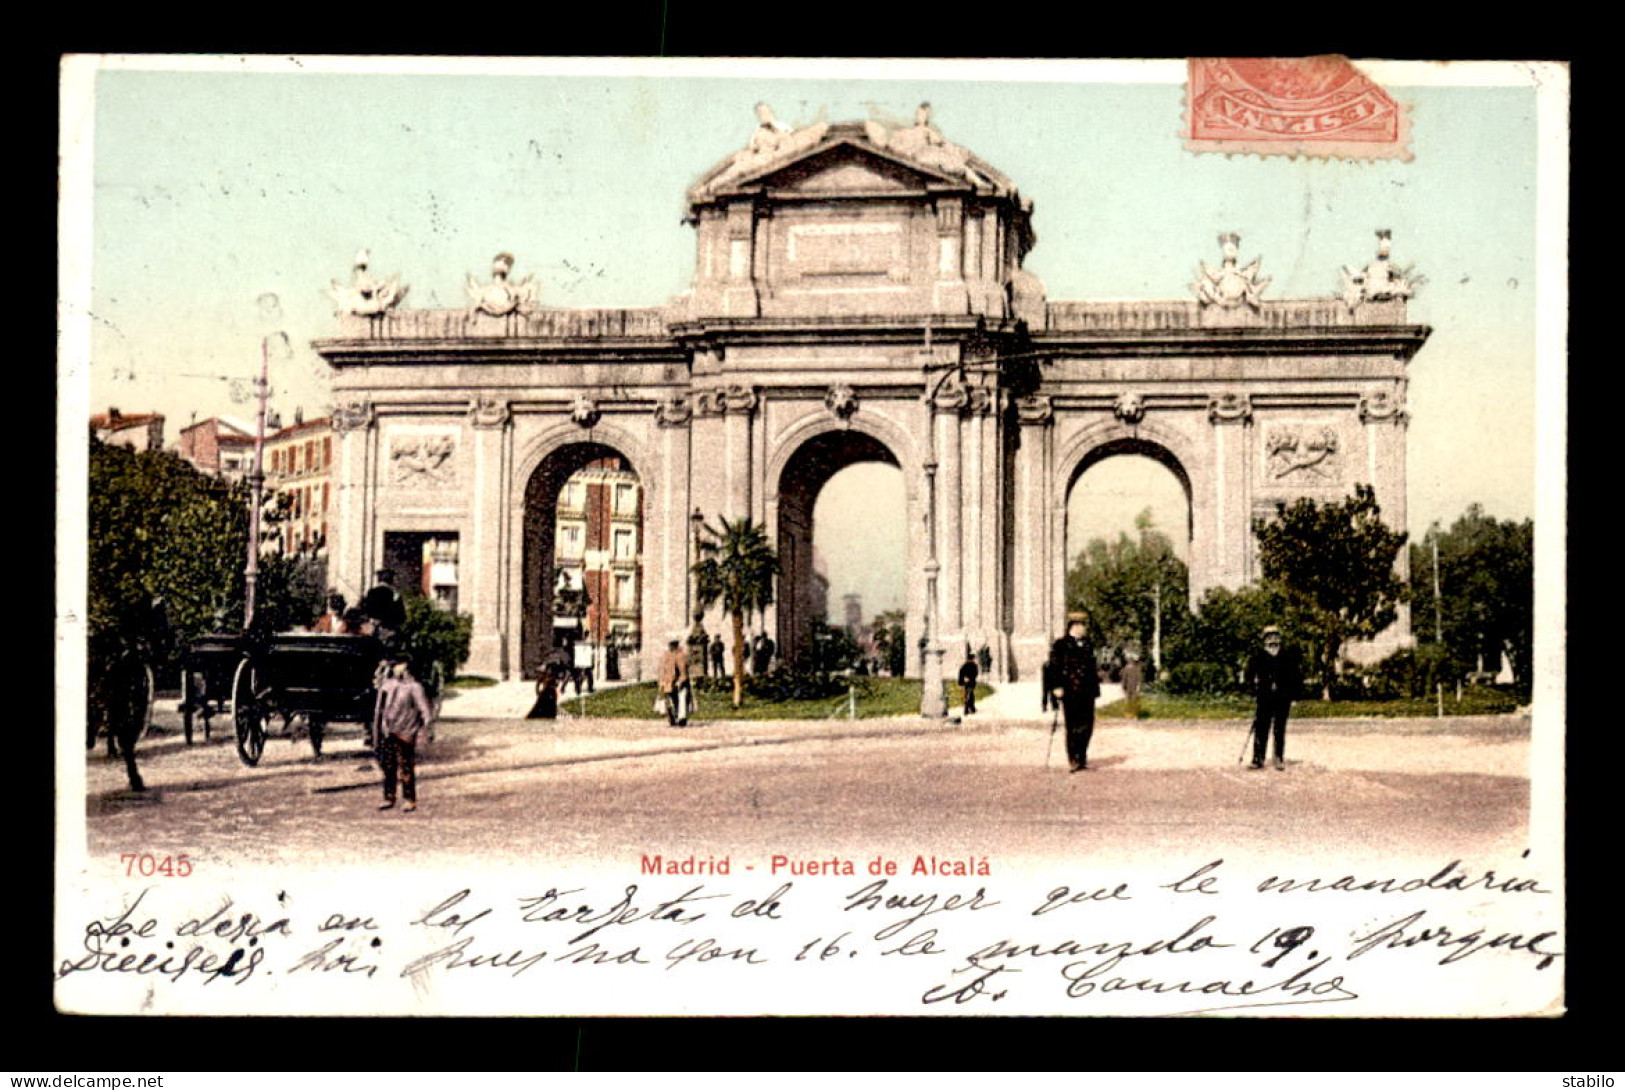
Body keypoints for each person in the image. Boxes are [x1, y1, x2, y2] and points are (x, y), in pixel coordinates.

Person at [372, 651, 435, 812]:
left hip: (406, 730)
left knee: (406, 767)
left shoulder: (414, 687)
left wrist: (427, 729)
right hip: (389, 730)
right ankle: (389, 797)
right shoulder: (388, 685)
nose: (397, 668)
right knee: (388, 766)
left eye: (400, 664)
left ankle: (409, 799)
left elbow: (425, 710)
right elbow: (380, 706)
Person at [1048, 612, 1101, 772]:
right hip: (1070, 691)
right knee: (1073, 726)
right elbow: (1054, 668)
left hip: (1087, 691)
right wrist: (1056, 687)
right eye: (1082, 625)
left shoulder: (1088, 644)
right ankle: (1074, 758)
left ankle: (1082, 756)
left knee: (1088, 725)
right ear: (1074, 626)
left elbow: (1092, 668)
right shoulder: (1061, 645)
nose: (1084, 629)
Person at [1245, 625, 1300, 771]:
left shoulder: (1287, 656)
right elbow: (1249, 675)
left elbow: (1295, 676)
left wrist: (1293, 696)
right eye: (1269, 636)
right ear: (1264, 639)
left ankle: (1278, 758)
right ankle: (1258, 759)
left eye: (1275, 636)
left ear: (1279, 638)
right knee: (1261, 728)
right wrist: (1253, 691)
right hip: (1264, 697)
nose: (1273, 639)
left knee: (1279, 729)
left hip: (1283, 697)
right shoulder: (1258, 656)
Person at [362, 569, 407, 645]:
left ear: (378, 579)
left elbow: (363, 610)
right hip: (389, 631)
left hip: (372, 629)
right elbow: (401, 617)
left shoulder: (370, 593)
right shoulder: (395, 595)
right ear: (391, 580)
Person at [658, 637, 692, 727]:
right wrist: (662, 681)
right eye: (670, 645)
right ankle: (672, 717)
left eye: (673, 644)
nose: (671, 646)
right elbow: (662, 670)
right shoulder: (666, 656)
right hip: (668, 682)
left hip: (679, 682)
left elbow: (683, 670)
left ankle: (682, 718)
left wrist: (681, 680)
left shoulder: (681, 655)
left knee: (682, 699)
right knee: (669, 701)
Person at [1120, 654, 1144, 719]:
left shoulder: (1126, 669)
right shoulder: (1136, 669)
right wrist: (1139, 686)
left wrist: (1123, 687)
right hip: (1133, 687)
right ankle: (1134, 715)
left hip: (1129, 687)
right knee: (1133, 700)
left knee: (1129, 701)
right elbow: (1140, 679)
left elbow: (1123, 679)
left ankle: (1130, 714)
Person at [957, 651, 980, 716]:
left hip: (967, 682)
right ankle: (968, 709)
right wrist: (969, 679)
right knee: (970, 695)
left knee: (968, 695)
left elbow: (961, 674)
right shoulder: (973, 665)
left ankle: (970, 708)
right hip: (970, 682)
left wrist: (961, 682)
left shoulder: (965, 665)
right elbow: (975, 674)